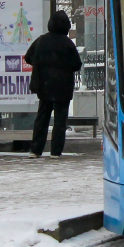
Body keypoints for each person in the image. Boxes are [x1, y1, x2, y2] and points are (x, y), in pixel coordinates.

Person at [24, 10, 82, 158]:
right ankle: (56, 151)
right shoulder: (67, 43)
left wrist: (41, 65)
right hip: (63, 87)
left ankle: (36, 150)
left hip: (44, 85)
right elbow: (76, 64)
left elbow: (29, 57)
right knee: (60, 120)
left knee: (42, 117)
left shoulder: (41, 40)